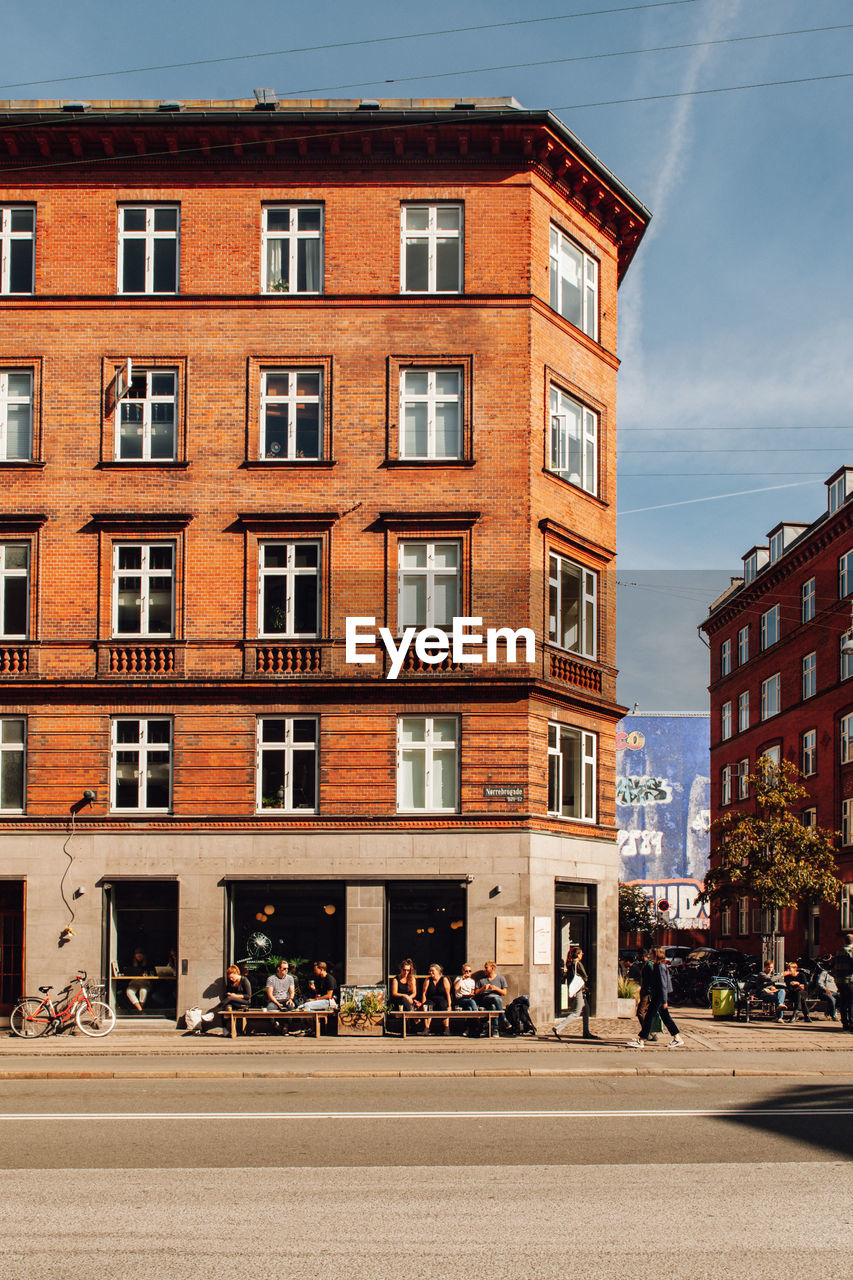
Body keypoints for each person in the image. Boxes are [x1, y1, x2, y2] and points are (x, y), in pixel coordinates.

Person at [626, 946, 684, 1049]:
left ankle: (641, 1040)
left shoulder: (659, 967)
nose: (649, 955)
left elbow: (662, 984)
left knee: (649, 1017)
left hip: (659, 996)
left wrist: (664, 1000)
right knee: (665, 1018)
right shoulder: (660, 965)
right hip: (659, 996)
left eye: (651, 953)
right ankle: (677, 1038)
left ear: (656, 954)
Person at [552, 946, 599, 1041]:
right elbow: (585, 977)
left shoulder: (570, 963)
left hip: (577, 990)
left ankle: (586, 1032)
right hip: (579, 991)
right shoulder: (577, 964)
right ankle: (558, 1028)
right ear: (577, 954)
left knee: (586, 1009)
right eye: (581, 953)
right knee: (576, 1012)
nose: (582, 955)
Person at [201, 963, 252, 1035]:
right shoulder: (231, 982)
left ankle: (212, 1013)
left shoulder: (244, 980)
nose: (231, 979)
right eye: (229, 978)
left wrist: (235, 996)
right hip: (233, 1001)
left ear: (236, 973)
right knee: (226, 1006)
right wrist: (231, 995)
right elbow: (228, 993)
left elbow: (248, 996)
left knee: (229, 999)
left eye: (232, 977)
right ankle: (225, 1029)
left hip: (245, 1002)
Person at [474, 960, 510, 1034]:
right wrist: (483, 988)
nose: (485, 970)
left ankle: (495, 1029)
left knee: (494, 1005)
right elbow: (476, 993)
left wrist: (496, 988)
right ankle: (504, 1019)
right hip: (485, 1000)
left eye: (486, 968)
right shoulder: (482, 980)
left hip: (497, 1001)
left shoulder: (501, 978)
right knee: (495, 999)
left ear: (492, 968)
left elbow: (504, 993)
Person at [417, 962, 451, 1034]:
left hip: (442, 998)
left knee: (444, 1006)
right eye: (430, 971)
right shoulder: (428, 980)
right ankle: (426, 1028)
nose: (430, 972)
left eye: (432, 971)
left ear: (438, 971)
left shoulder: (444, 979)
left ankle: (447, 1028)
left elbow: (448, 994)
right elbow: (424, 993)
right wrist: (423, 1004)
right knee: (427, 1006)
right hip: (431, 999)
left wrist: (449, 1005)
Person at [833, 933, 853, 1032]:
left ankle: (844, 1023)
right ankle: (852, 1023)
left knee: (843, 1002)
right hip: (850, 979)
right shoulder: (851, 951)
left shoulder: (838, 951)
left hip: (839, 980)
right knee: (851, 1002)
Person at [125, 948, 150, 1013]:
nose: (139, 957)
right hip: (134, 982)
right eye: (137, 955)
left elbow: (152, 973)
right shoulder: (131, 963)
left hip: (145, 982)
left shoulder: (148, 963)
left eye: (140, 955)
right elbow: (127, 972)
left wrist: (147, 975)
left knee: (143, 990)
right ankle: (140, 1009)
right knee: (129, 991)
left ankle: (141, 1008)